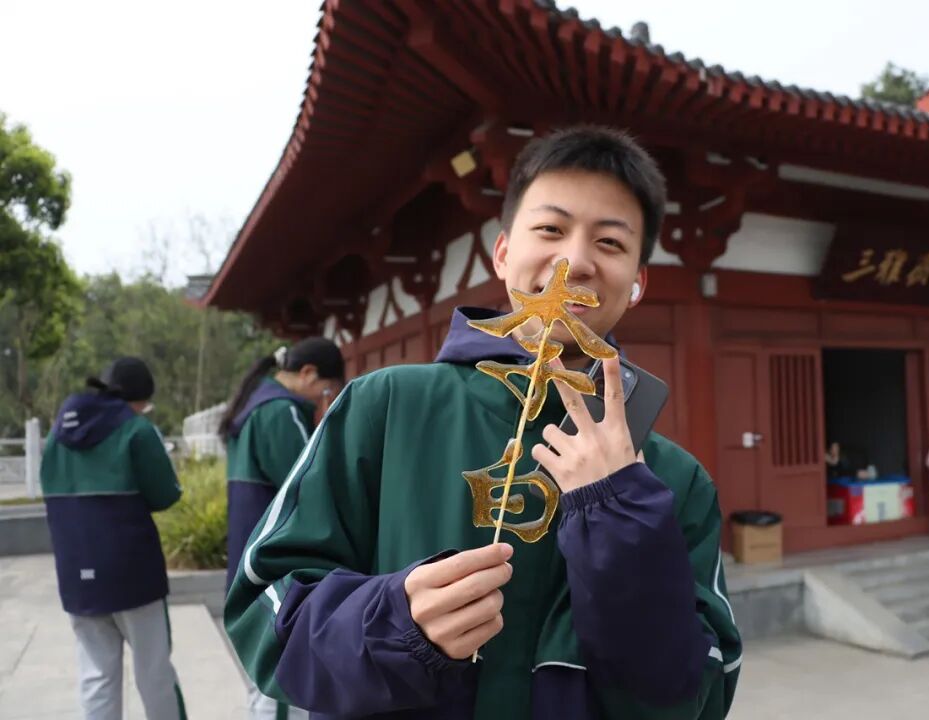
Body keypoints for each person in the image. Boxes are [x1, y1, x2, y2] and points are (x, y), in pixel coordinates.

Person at [225, 126, 742, 719]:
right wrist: (392, 622)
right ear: (501, 254)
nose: (574, 261)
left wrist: (620, 513)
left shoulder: (675, 480)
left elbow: (698, 696)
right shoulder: (383, 407)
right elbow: (262, 608)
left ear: (638, 282)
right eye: (550, 230)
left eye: (610, 242)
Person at [40, 357, 187, 720]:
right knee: (154, 673)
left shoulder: (57, 433)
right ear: (138, 399)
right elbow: (165, 494)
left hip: (76, 572)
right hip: (133, 572)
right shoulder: (137, 430)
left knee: (96, 676)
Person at [219, 337, 345, 720]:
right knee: (281, 690)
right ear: (307, 373)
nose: (324, 401)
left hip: (249, 559)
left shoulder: (252, 406)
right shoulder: (281, 412)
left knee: (263, 684)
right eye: (327, 391)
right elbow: (310, 488)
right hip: (277, 567)